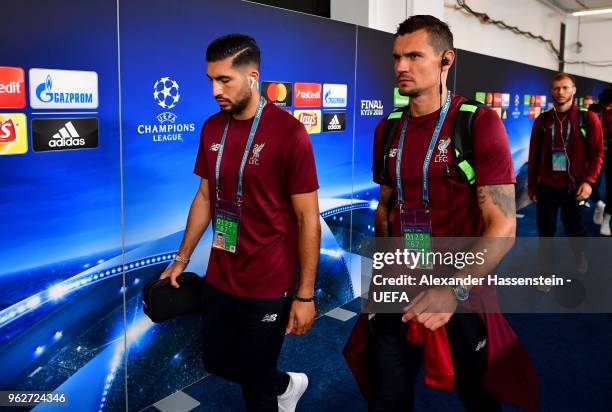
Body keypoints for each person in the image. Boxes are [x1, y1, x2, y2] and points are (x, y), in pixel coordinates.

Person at [344, 15, 539, 412]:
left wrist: (453, 289)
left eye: (415, 56)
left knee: (479, 393)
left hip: (460, 291)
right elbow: (387, 205)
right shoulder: (388, 128)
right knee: (385, 397)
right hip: (397, 287)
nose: (401, 66)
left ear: (446, 60)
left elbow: (502, 225)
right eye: (397, 56)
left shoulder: (477, 122)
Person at [159, 34, 321, 412]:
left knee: (256, 389)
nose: (215, 89)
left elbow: (307, 217)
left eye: (224, 80)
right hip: (220, 275)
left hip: (269, 283)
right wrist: (181, 258)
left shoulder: (290, 134)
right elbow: (204, 196)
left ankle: (272, 389)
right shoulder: (213, 127)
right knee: (216, 361)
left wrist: (306, 295)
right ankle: (285, 385)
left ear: (252, 76)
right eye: (211, 80)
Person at [527, 74, 604, 253]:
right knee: (545, 233)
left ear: (573, 90)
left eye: (565, 87)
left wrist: (589, 181)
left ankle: (579, 257)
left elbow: (598, 154)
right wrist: (532, 187)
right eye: (556, 88)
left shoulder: (588, 119)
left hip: (575, 187)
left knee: (575, 230)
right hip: (547, 186)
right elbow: (534, 156)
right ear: (551, 90)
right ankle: (545, 271)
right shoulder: (543, 120)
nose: (560, 92)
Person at [590, 88, 612, 235]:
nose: (608, 108)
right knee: (591, 184)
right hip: (595, 153)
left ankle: (607, 220)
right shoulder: (594, 110)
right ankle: (599, 205)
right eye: (606, 105)